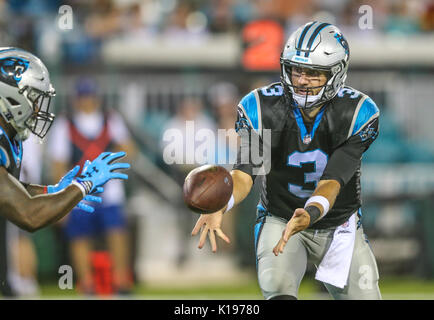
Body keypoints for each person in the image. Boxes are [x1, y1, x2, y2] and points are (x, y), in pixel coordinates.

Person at [191, 22, 381, 300]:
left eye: (314, 73)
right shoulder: (261, 108)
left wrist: (311, 212)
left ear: (337, 73)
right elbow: (246, 173)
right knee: (277, 286)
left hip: (337, 225)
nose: (302, 80)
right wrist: (223, 201)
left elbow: (332, 181)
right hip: (280, 218)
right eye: (297, 69)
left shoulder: (356, 113)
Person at [0, 47, 130, 292]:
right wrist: (84, 184)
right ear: (10, 96)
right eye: (33, 98)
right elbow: (28, 215)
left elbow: (11, 189)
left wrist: (52, 190)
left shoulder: (7, 138)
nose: (38, 110)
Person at [48, 77, 136, 295]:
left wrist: (110, 167)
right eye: (83, 97)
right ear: (77, 100)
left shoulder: (110, 119)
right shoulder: (65, 123)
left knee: (117, 231)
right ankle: (86, 282)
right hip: (79, 189)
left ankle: (120, 279)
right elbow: (58, 162)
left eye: (90, 96)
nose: (87, 101)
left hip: (110, 187)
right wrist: (61, 195)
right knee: (79, 235)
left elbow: (128, 148)